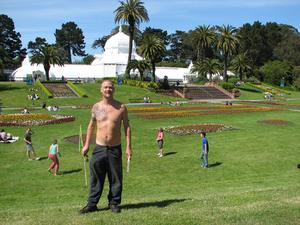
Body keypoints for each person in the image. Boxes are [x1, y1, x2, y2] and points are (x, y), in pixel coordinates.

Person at [80, 80, 132, 214]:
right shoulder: (96, 107)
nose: (108, 89)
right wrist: (86, 145)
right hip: (99, 148)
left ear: (114, 89)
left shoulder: (121, 107)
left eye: (110, 87)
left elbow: (127, 127)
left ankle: (114, 203)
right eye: (105, 87)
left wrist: (128, 147)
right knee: (96, 177)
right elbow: (91, 126)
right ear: (101, 90)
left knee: (116, 177)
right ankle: (92, 204)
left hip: (115, 148)